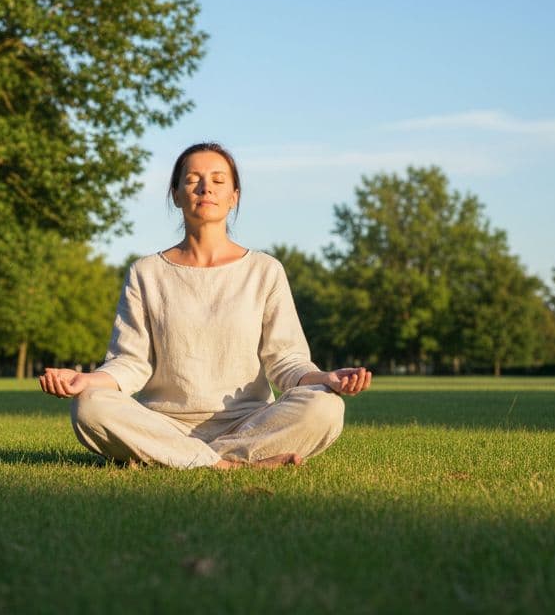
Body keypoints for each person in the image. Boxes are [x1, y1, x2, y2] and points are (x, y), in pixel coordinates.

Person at [39, 142, 372, 469]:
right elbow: (130, 362)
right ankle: (225, 463)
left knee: (325, 408)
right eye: (192, 179)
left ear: (233, 197)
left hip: (249, 424)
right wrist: (87, 381)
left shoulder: (264, 270)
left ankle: (180, 458)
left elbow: (285, 359)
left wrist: (325, 377)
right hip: (163, 424)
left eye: (217, 180)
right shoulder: (146, 272)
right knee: (89, 407)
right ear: (176, 194)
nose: (205, 188)